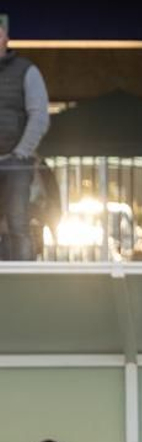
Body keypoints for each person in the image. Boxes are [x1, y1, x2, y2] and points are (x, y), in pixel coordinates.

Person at [0, 18, 49, 261]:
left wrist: (22, 151)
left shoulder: (26, 70)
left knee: (17, 223)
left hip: (17, 161)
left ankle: (23, 280)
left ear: (6, 38)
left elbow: (39, 115)